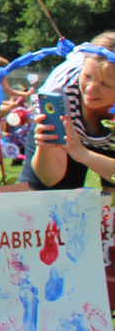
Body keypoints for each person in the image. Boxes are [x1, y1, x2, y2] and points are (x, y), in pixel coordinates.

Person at [24, 32, 115, 313]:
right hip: (66, 132)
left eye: (106, 84)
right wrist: (45, 145)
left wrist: (86, 156)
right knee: (52, 209)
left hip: (102, 140)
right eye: (87, 77)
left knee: (109, 221)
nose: (91, 89)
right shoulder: (61, 91)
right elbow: (50, 180)